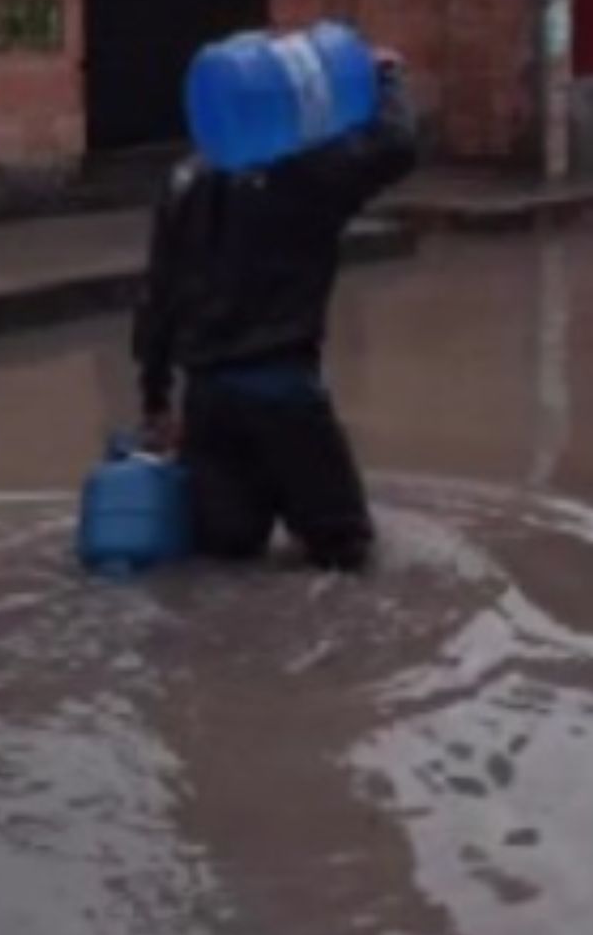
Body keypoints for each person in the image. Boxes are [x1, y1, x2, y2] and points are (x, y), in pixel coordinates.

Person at [131, 48, 418, 571]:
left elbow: (157, 297)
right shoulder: (305, 172)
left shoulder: (184, 180)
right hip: (283, 391)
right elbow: (396, 145)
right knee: (344, 554)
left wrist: (155, 400)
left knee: (228, 552)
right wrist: (386, 78)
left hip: (208, 400)